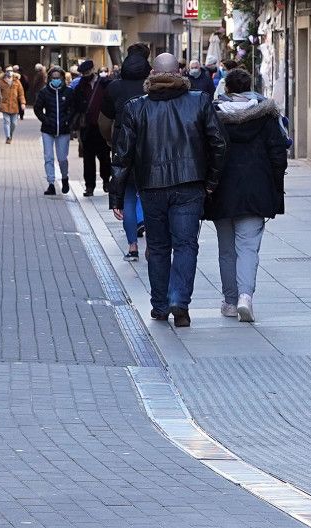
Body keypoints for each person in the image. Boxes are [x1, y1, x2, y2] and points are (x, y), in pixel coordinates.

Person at [110, 53, 227, 328]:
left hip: (151, 187)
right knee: (186, 244)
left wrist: (116, 194)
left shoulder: (136, 107)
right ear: (180, 72)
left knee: (159, 247)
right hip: (189, 185)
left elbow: (122, 155)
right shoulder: (199, 101)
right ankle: (180, 302)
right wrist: (210, 181)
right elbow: (219, 144)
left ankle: (160, 305)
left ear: (152, 73)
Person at [205, 70, 288, 322]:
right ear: (250, 86)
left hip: (221, 190)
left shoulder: (212, 114)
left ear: (227, 88)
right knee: (249, 247)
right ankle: (245, 297)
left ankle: (230, 302)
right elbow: (278, 154)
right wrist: (275, 185)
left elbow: (204, 151)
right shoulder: (267, 115)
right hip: (256, 188)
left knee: (226, 250)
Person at [100, 42, 151, 261]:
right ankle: (152, 245)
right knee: (151, 197)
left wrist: (111, 141)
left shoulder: (114, 87)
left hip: (123, 147)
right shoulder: (153, 86)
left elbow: (103, 120)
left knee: (128, 197)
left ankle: (132, 246)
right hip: (151, 148)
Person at [35, 66, 76, 196]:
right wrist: (45, 120)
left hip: (63, 129)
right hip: (48, 129)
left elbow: (74, 108)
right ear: (49, 79)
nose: (56, 80)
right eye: (53, 78)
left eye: (58, 78)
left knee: (62, 158)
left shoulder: (68, 92)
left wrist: (68, 120)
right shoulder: (44, 92)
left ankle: (65, 178)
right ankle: (51, 183)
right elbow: (37, 108)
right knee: (48, 157)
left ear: (63, 79)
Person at [73, 60, 112, 197]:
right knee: (88, 159)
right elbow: (76, 106)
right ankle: (89, 186)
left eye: (87, 72)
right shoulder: (80, 87)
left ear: (93, 70)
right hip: (87, 127)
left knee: (105, 157)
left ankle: (107, 181)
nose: (85, 75)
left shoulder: (105, 84)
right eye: (83, 73)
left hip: (102, 126)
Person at [0, 68, 25, 144]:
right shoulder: (1, 82)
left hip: (14, 105)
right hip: (5, 104)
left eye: (11, 71)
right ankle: (8, 137)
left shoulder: (17, 81)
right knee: (6, 122)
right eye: (7, 71)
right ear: (5, 72)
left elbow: (21, 93)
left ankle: (11, 135)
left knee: (14, 123)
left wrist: (22, 103)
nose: (9, 72)